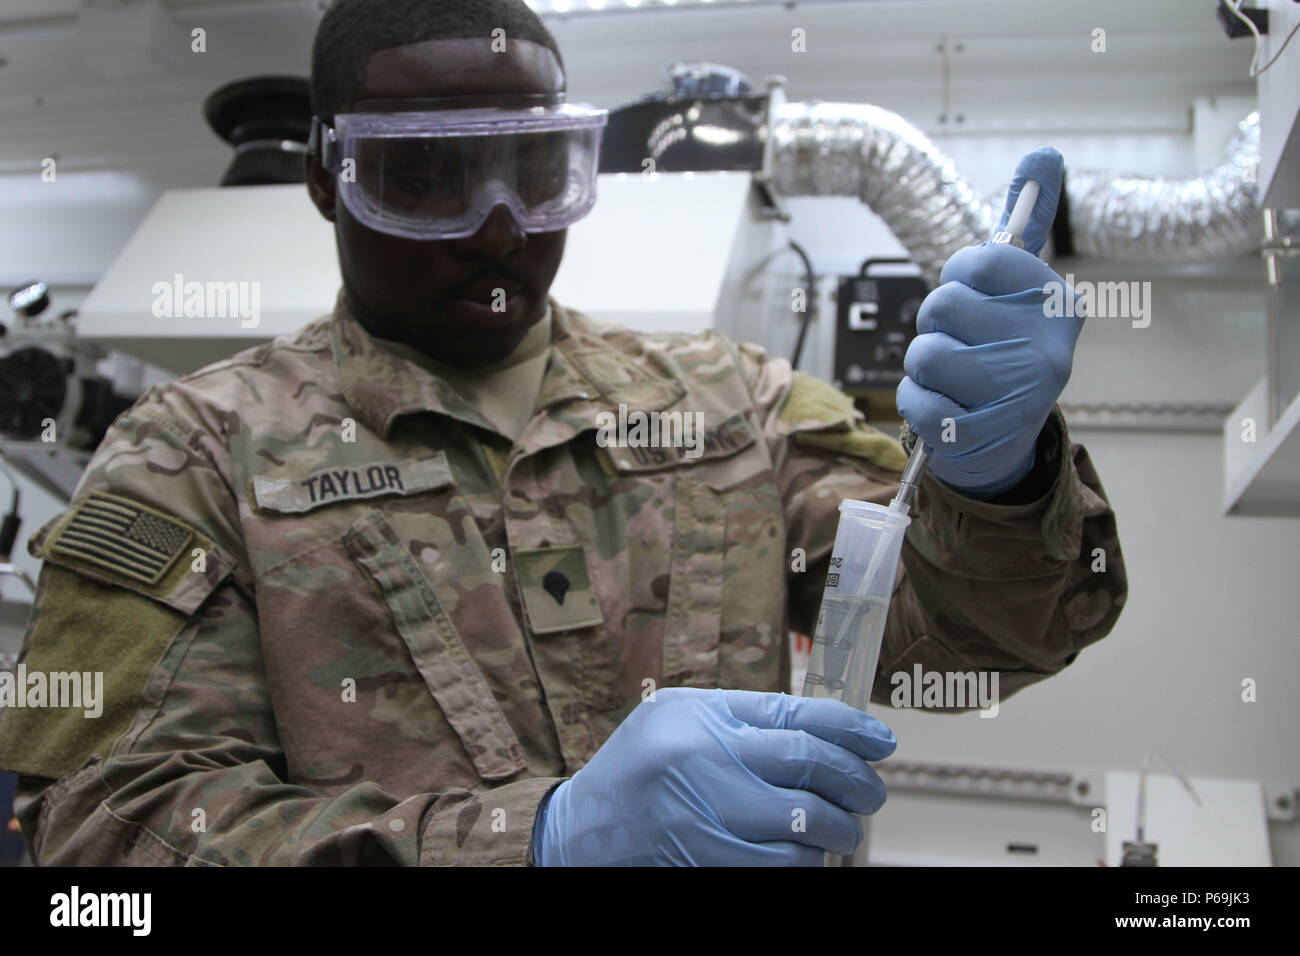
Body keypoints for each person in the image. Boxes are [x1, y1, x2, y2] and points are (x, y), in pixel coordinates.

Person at [0, 0, 1126, 866]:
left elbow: (961, 652)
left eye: (533, 168)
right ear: (326, 181)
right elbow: (101, 847)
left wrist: (999, 480)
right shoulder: (192, 454)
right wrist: (530, 840)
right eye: (424, 177)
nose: (496, 227)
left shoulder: (731, 402)